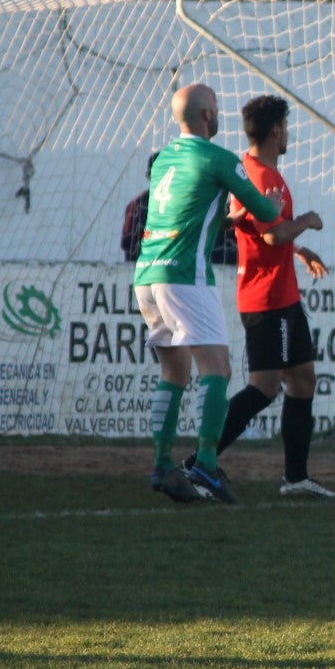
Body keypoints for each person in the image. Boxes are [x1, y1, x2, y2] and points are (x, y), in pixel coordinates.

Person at [182, 95, 335, 499]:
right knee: (266, 387)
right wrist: (307, 222)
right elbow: (272, 234)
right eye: (286, 127)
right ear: (276, 131)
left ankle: (295, 476)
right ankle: (199, 463)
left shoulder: (248, 170)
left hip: (275, 293)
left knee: (302, 380)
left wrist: (300, 251)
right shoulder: (268, 179)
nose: (287, 135)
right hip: (270, 298)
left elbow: (258, 231)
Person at [135, 83, 282, 505]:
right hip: (184, 275)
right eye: (216, 109)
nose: (219, 116)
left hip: (147, 275)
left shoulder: (164, 158)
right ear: (206, 116)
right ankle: (205, 463)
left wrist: (227, 219)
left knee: (174, 373)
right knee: (216, 366)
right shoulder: (219, 157)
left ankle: (163, 465)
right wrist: (269, 203)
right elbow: (268, 213)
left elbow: (192, 214)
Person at [121, 154, 157, 262]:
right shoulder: (136, 205)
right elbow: (127, 242)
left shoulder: (182, 204)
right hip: (143, 270)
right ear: (149, 176)